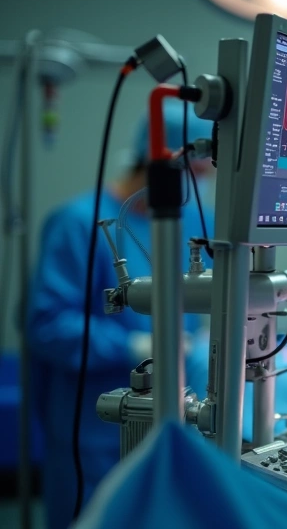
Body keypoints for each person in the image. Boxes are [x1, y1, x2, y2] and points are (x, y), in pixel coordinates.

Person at [28, 103, 215, 529]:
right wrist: (133, 344)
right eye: (193, 174)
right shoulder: (80, 223)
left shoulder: (183, 222)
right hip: (94, 423)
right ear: (156, 163)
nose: (197, 188)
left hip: (168, 411)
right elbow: (47, 323)